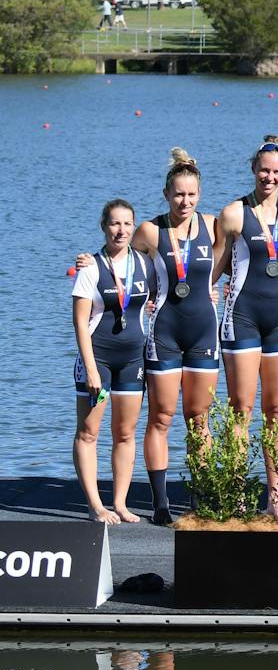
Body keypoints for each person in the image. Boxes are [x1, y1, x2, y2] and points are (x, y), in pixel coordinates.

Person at [214, 135, 278, 519]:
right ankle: (235, 495)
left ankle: (275, 499)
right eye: (263, 170)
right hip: (242, 316)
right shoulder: (233, 213)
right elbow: (214, 267)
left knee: (277, 410)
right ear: (253, 169)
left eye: (276, 172)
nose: (269, 177)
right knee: (241, 408)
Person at [135, 148, 220, 524]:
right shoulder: (150, 230)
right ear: (166, 194)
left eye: (191, 195)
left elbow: (238, 260)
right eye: (178, 195)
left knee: (199, 419)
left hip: (204, 330)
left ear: (199, 196)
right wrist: (144, 295)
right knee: (161, 417)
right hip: (165, 330)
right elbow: (123, 261)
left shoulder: (214, 225)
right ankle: (161, 503)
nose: (184, 201)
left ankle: (201, 498)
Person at [72, 199, 155, 524]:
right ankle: (95, 506)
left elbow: (165, 295)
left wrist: (212, 294)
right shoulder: (90, 268)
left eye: (126, 224)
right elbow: (80, 323)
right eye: (114, 224)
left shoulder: (144, 264)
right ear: (104, 227)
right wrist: (91, 368)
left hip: (133, 360)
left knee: (125, 432)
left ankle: (119, 503)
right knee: (89, 432)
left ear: (133, 227)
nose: (120, 230)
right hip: (99, 361)